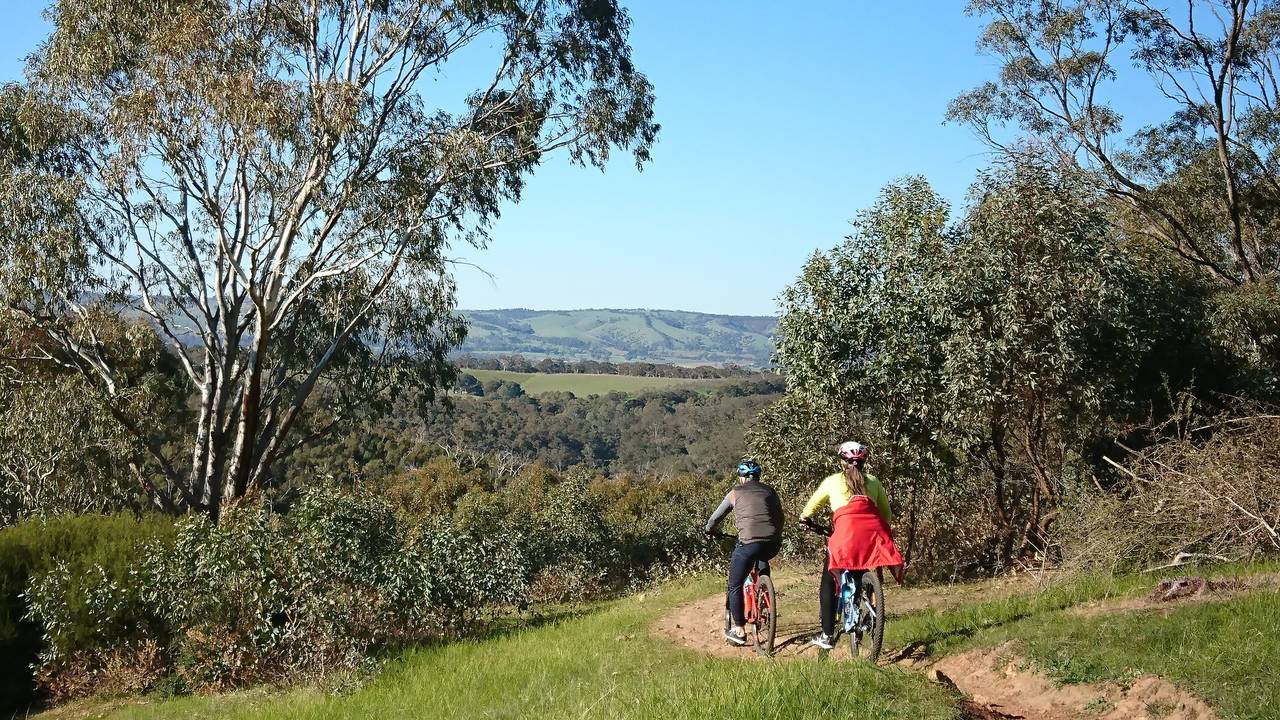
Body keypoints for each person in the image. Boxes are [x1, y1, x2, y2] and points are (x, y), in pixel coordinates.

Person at [798, 440, 903, 650]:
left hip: (844, 536)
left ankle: (827, 635)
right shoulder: (874, 482)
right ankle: (862, 605)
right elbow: (887, 515)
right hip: (872, 536)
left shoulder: (832, 481)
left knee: (827, 582)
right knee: (861, 567)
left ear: (841, 462)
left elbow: (810, 508)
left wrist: (804, 518)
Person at [704, 458, 784, 646]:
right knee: (762, 557)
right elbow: (780, 517)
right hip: (772, 543)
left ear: (740, 477)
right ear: (758, 476)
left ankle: (739, 629)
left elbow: (716, 518)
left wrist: (709, 530)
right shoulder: (770, 491)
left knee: (735, 584)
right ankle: (764, 588)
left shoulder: (734, 493)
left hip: (748, 543)